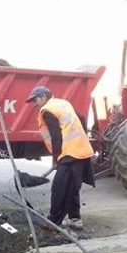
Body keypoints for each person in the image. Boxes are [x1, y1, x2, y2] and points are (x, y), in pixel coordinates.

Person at [26, 86, 95, 229]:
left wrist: (57, 157)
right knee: (71, 186)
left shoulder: (47, 111)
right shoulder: (63, 103)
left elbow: (56, 136)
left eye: (35, 100)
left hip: (70, 152)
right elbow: (80, 118)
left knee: (59, 188)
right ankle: (75, 219)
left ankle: (53, 221)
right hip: (81, 149)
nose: (34, 104)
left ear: (44, 97)